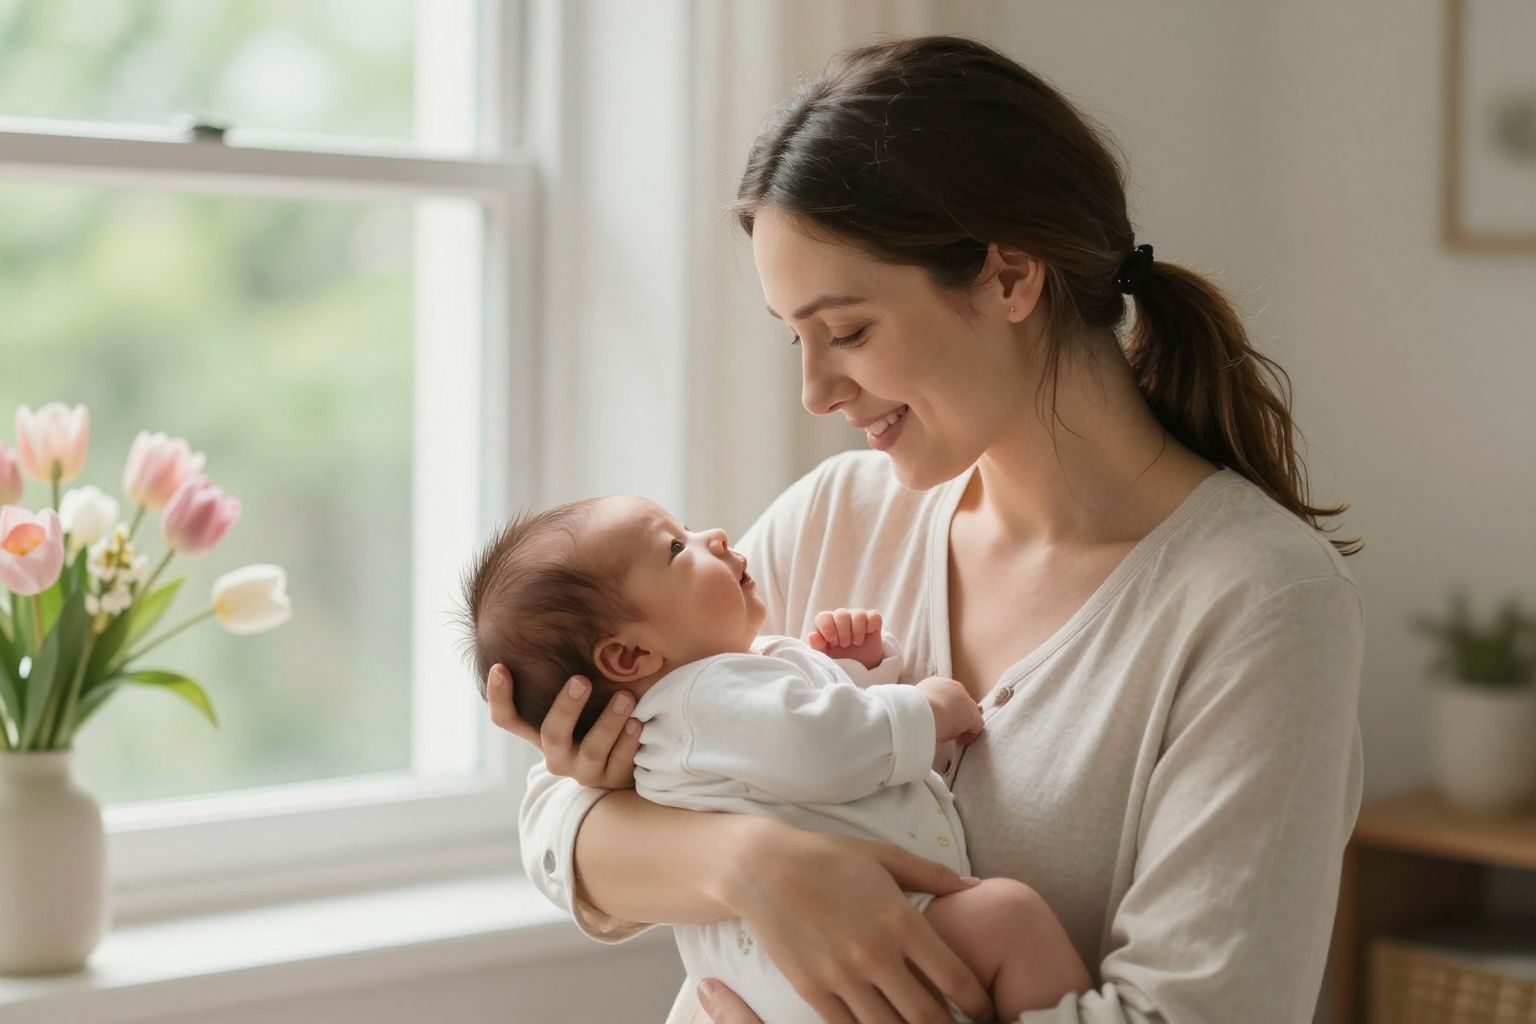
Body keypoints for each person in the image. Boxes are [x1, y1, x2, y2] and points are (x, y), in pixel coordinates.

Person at [494, 35, 1365, 1024]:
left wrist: (680, 859)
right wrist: (758, 867)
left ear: (1009, 277)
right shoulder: (836, 516)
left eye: (849, 332)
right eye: (795, 337)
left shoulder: (1258, 605)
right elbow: (556, 822)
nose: (817, 391)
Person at [458, 493, 1092, 1020]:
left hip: (780, 981)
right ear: (630, 658)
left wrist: (859, 666)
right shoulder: (705, 694)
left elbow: (798, 744)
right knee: (1012, 922)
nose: (712, 534)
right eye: (676, 547)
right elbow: (820, 747)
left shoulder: (709, 695)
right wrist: (923, 709)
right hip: (827, 968)